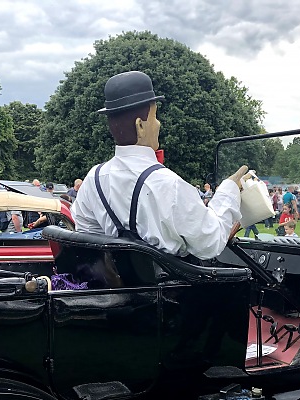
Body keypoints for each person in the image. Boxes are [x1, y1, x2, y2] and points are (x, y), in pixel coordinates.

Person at [73, 71, 247, 260]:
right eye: (155, 116)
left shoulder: (93, 178)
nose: (159, 124)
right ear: (140, 125)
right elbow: (210, 243)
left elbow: (87, 235)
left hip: (116, 286)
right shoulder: (167, 185)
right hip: (173, 286)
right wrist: (229, 189)